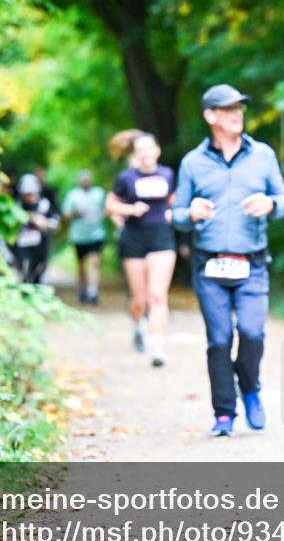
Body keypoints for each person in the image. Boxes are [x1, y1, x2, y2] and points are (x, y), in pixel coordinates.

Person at [172, 84, 284, 437]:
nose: (237, 113)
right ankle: (224, 413)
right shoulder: (192, 162)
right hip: (209, 266)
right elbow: (176, 214)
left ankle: (250, 387)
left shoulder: (263, 155)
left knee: (253, 333)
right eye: (227, 109)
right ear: (210, 116)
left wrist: (271, 204)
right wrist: (189, 212)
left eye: (239, 107)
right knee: (220, 340)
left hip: (251, 263)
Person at [106, 129, 177, 367]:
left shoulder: (168, 174)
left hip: (161, 237)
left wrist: (174, 212)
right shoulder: (127, 178)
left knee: (158, 295)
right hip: (134, 238)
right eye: (141, 150)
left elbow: (174, 200)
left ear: (158, 150)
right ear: (136, 155)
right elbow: (110, 206)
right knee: (140, 300)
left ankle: (157, 346)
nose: (146, 154)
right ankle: (139, 325)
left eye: (150, 149)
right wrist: (130, 210)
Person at [62, 170, 106, 305]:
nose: (85, 181)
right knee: (81, 264)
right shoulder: (73, 195)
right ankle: (83, 289)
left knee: (95, 262)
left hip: (96, 234)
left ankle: (93, 291)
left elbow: (107, 209)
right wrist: (75, 213)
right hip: (79, 235)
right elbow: (65, 215)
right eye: (83, 179)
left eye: (87, 179)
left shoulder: (99, 193)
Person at [13, 173, 60, 284]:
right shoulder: (17, 206)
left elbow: (56, 223)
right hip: (22, 247)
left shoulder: (45, 205)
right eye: (27, 194)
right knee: (25, 272)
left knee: (39, 272)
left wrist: (45, 223)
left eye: (32, 194)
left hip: (40, 247)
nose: (30, 197)